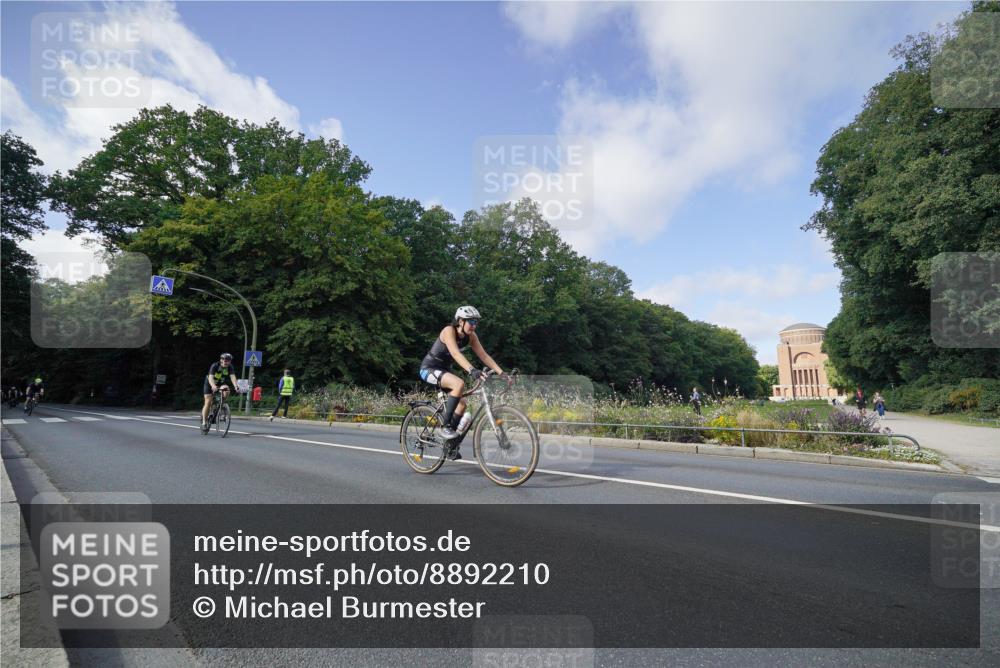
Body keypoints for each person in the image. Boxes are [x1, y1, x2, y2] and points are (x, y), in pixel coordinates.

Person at [419, 306, 506, 458]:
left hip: (444, 371)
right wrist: (472, 370)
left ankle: (449, 445)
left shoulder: (471, 336)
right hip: (429, 369)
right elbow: (455, 353)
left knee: (462, 403)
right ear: (460, 321)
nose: (474, 325)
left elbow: (484, 356)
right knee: (459, 384)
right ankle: (445, 427)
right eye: (471, 321)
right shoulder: (448, 331)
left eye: (476, 322)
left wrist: (502, 373)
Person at [202, 353, 240, 433]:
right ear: (221, 360)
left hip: (220, 383)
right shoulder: (215, 366)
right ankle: (204, 422)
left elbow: (233, 377)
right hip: (209, 383)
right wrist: (213, 386)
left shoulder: (230, 367)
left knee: (227, 391)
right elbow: (211, 378)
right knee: (208, 401)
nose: (226, 362)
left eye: (228, 361)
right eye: (225, 360)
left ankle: (220, 406)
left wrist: (236, 386)